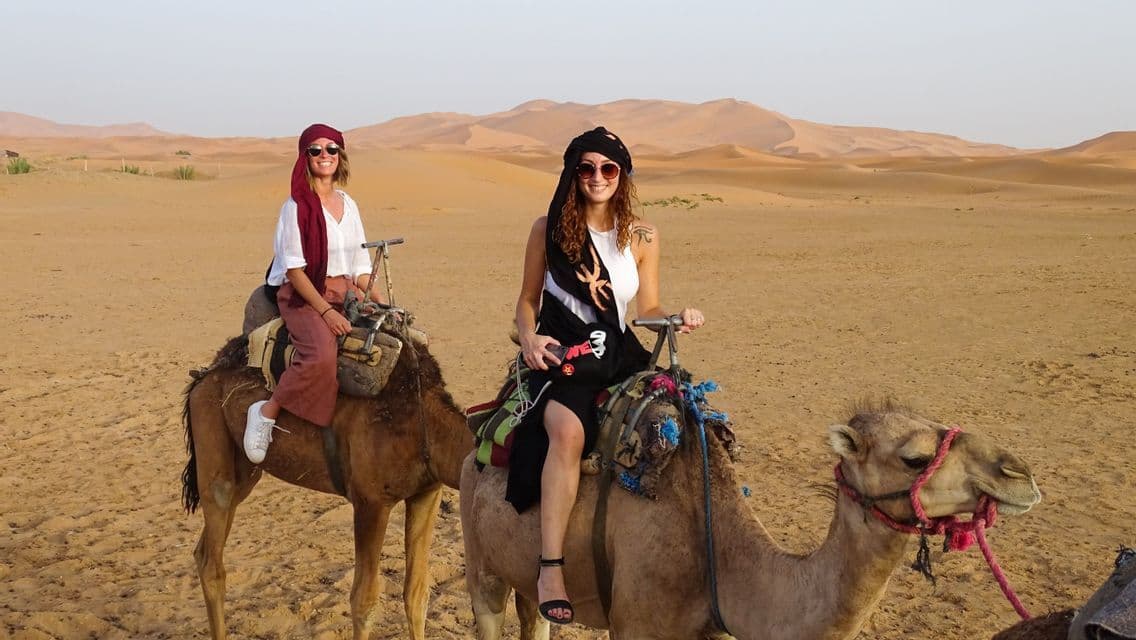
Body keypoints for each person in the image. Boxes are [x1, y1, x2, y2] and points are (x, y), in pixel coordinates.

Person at [507, 127, 705, 624]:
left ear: (623, 176)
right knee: (568, 432)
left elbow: (647, 306)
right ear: (573, 174)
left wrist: (674, 316)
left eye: (609, 168)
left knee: (679, 425)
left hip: (617, 353)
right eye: (587, 168)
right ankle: (550, 566)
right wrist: (529, 340)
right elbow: (528, 299)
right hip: (564, 353)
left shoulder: (643, 235)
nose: (598, 177)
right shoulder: (545, 229)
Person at [243, 123, 384, 464]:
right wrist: (325, 312)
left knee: (398, 339)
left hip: (345, 290)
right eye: (316, 150)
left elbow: (360, 265)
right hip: (304, 294)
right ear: (305, 158)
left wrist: (382, 302)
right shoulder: (296, 207)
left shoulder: (349, 205)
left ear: (341, 155)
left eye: (331, 149)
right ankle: (266, 412)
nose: (325, 156)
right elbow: (294, 269)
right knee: (321, 355)